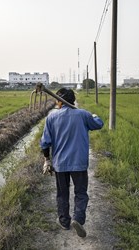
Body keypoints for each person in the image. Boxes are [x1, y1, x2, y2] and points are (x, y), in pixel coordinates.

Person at [40, 88, 104, 238]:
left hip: (60, 164)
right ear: (73, 101)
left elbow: (45, 143)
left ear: (59, 101)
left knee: (62, 193)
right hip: (79, 162)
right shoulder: (83, 114)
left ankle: (64, 221)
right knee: (81, 193)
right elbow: (98, 124)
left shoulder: (52, 117)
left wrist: (47, 160)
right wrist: (94, 115)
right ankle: (78, 219)